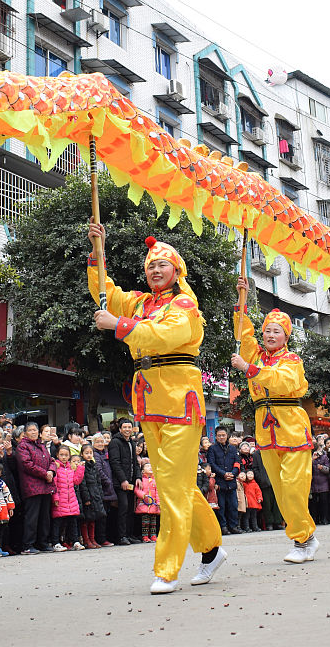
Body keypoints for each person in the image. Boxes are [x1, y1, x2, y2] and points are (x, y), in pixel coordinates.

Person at [88, 224, 224, 593]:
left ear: (176, 270)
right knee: (172, 484)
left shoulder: (184, 304)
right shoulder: (140, 302)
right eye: (151, 266)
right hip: (148, 398)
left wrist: (120, 326)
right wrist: (97, 255)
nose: (156, 271)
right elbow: (106, 292)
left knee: (172, 488)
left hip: (180, 398)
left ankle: (167, 569)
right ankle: (211, 549)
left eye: (163, 265)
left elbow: (166, 335)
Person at [231, 293, 318, 559]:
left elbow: (283, 382)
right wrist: (240, 303)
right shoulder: (255, 354)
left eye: (276, 331)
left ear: (286, 336)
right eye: (267, 330)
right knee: (281, 490)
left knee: (294, 486)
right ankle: (308, 536)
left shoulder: (291, 360)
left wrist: (250, 369)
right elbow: (244, 334)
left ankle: (301, 541)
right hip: (265, 427)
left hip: (291, 424)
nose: (270, 335)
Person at [16, 420, 55, 553]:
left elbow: (52, 461)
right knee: (32, 517)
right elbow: (27, 464)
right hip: (32, 486)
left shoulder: (41, 445)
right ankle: (28, 545)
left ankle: (42, 543)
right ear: (25, 433)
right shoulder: (22, 446)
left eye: (35, 430)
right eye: (31, 430)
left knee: (45, 517)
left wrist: (51, 471)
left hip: (45, 485)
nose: (34, 432)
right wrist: (45, 473)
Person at [49, 443, 84, 550]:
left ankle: (75, 541)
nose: (64, 457)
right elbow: (53, 485)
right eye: (61, 455)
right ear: (57, 455)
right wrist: (55, 498)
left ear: (69, 456)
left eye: (66, 455)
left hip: (71, 499)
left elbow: (76, 481)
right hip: (60, 499)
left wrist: (80, 469)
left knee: (73, 521)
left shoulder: (70, 468)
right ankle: (55, 542)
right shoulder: (56, 468)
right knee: (58, 522)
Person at [207, 425, 240, 534]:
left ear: (227, 436)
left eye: (223, 435)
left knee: (233, 505)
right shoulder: (212, 449)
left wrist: (233, 474)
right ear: (216, 437)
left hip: (231, 481)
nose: (221, 437)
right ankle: (223, 527)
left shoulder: (232, 448)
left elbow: (237, 463)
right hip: (220, 481)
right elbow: (212, 464)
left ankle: (234, 526)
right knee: (221, 506)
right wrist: (223, 474)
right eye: (219, 435)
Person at [78, 442, 107, 548]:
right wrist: (86, 498)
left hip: (96, 495)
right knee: (86, 519)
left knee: (93, 519)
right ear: (82, 454)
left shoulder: (94, 465)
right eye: (86, 453)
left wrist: (100, 494)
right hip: (88, 496)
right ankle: (86, 540)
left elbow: (98, 482)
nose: (89, 455)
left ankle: (92, 538)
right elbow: (83, 483)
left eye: (90, 453)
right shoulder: (82, 466)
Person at [136, 463, 161, 542]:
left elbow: (158, 493)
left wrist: (158, 502)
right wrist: (144, 496)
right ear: (143, 471)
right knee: (145, 522)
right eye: (147, 466)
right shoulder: (141, 480)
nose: (150, 467)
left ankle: (153, 535)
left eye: (151, 466)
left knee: (153, 522)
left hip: (153, 505)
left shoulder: (155, 481)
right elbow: (137, 490)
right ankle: (145, 536)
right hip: (144, 504)